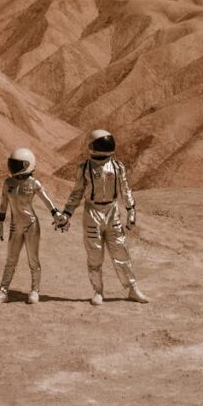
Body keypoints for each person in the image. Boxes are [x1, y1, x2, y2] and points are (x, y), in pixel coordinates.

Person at [55, 129, 149, 305]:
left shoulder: (117, 166)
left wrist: (131, 210)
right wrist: (67, 213)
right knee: (94, 255)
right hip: (92, 212)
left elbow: (125, 189)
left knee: (120, 251)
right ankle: (98, 291)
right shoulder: (85, 168)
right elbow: (77, 192)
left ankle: (132, 289)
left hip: (112, 211)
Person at [0, 146, 62, 305]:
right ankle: (3, 291)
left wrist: (57, 215)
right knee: (11, 259)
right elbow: (3, 203)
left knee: (33, 259)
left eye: (17, 164)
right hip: (15, 226)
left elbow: (47, 200)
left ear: (27, 165)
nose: (13, 167)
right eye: (12, 163)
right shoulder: (8, 183)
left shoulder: (34, 183)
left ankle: (35, 290)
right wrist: (0, 221)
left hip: (31, 225)